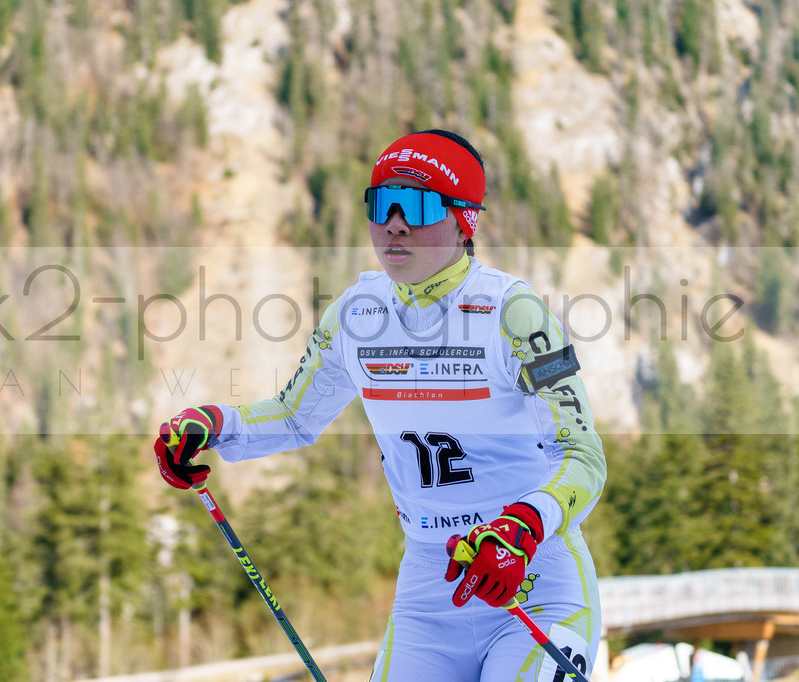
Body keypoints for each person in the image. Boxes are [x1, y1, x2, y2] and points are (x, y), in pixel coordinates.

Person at [155, 129, 606, 681]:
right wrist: (213, 425)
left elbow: (583, 455)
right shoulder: (357, 314)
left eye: (416, 204)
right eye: (379, 203)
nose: (394, 222)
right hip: (429, 590)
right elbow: (295, 416)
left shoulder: (514, 314)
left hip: (533, 581)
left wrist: (524, 527)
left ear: (466, 220)